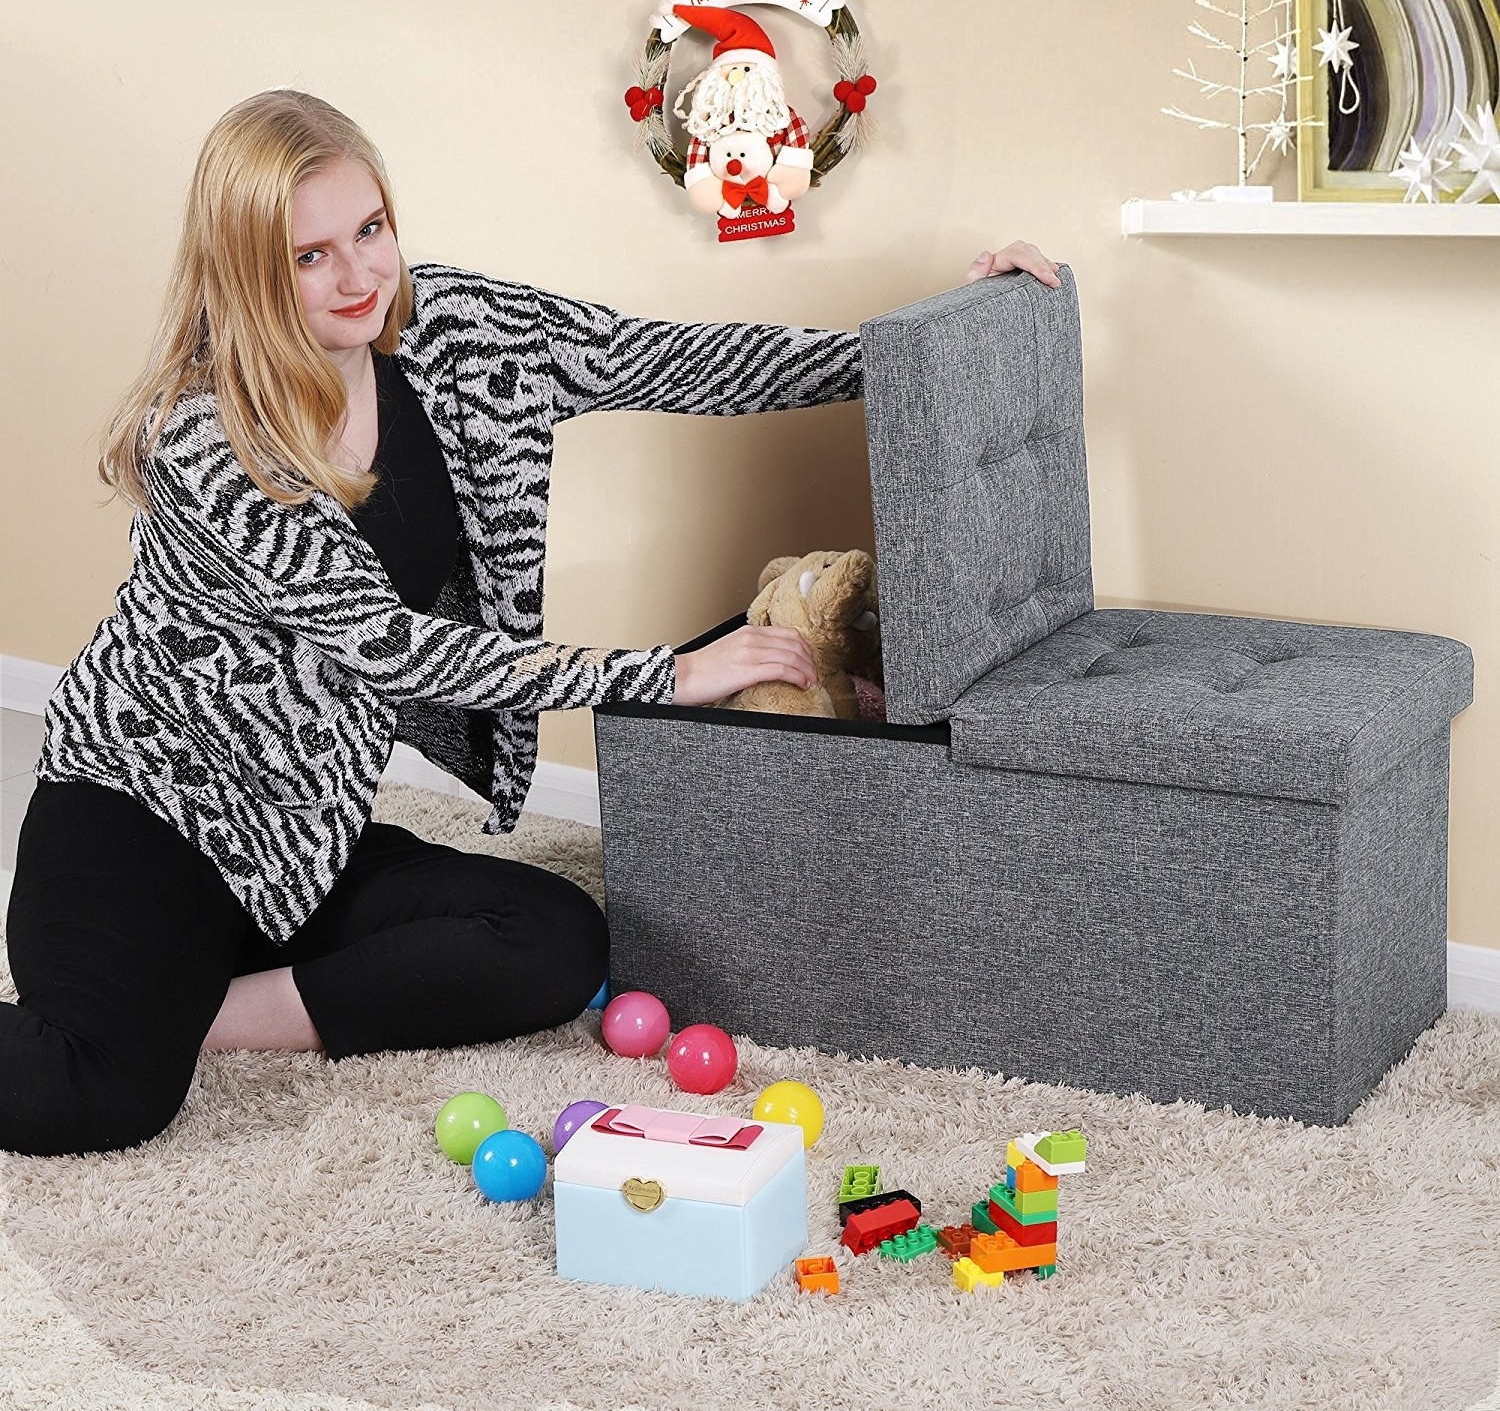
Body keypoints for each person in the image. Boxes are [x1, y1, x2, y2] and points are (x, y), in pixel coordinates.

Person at [0, 89, 1062, 1157]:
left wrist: (931, 345)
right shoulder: (205, 435)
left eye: (370, 230)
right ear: (244, 269)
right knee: (103, 1096)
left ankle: (210, 1012)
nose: (361, 277)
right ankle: (152, 1021)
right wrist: (665, 675)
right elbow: (389, 643)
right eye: (309, 256)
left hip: (301, 836)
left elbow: (666, 358)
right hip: (141, 816)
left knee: (555, 942)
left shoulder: (455, 332)